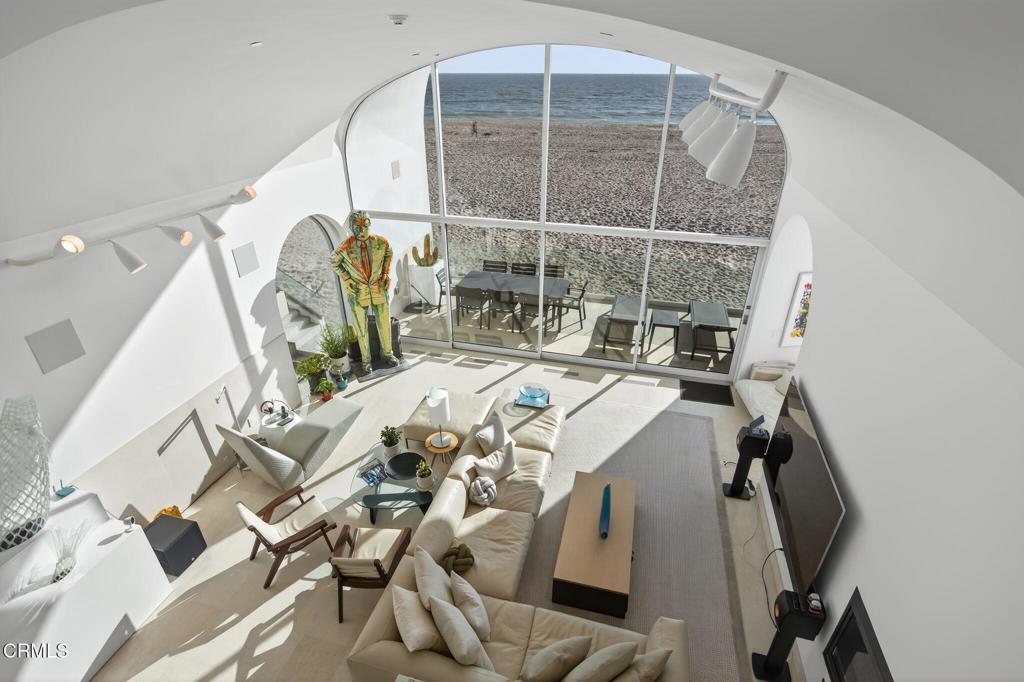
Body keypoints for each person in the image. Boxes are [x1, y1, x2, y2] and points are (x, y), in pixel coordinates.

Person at [330, 211, 399, 375]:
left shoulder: (381, 242)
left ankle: (388, 354)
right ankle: (366, 361)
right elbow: (333, 261)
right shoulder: (345, 246)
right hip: (357, 292)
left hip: (378, 289)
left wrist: (386, 273)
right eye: (358, 227)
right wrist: (347, 279)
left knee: (384, 323)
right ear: (352, 227)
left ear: (370, 224)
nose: (362, 231)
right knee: (361, 329)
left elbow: (389, 253)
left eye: (365, 226)